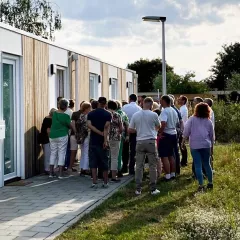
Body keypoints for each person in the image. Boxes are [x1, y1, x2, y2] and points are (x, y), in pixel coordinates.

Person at [129, 97, 160, 195]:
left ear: (142, 103)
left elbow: (130, 129)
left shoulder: (136, 115)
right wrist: (153, 130)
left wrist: (138, 130)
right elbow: (158, 126)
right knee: (152, 165)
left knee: (139, 165)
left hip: (140, 142)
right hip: (151, 141)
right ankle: (153, 188)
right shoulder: (154, 114)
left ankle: (138, 188)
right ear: (151, 105)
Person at [182, 103, 214, 192]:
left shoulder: (192, 119)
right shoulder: (208, 121)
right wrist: (212, 148)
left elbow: (186, 131)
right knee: (207, 164)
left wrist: (183, 141)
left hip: (195, 145)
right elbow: (212, 136)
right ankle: (210, 183)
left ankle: (201, 185)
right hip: (206, 145)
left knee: (198, 165)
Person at [87, 97, 112, 188]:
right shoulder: (108, 114)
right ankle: (105, 182)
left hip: (93, 140)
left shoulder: (91, 113)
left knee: (93, 161)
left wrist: (97, 132)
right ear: (105, 104)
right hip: (103, 141)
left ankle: (94, 182)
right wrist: (105, 139)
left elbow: (89, 125)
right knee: (104, 161)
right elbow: (106, 127)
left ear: (98, 103)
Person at [49, 99, 75, 179]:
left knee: (53, 153)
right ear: (66, 107)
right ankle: (60, 174)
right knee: (61, 153)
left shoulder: (54, 114)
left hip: (52, 135)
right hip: (62, 135)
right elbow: (71, 125)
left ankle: (51, 173)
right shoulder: (66, 116)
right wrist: (76, 131)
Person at [158, 95, 179, 181]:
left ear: (164, 101)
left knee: (164, 156)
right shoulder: (174, 110)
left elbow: (163, 123)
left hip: (166, 134)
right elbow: (177, 122)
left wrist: (160, 132)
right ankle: (173, 173)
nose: (160, 102)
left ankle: (167, 175)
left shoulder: (164, 111)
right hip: (174, 133)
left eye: (161, 101)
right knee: (171, 155)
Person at [122, 94, 142, 174]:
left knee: (125, 150)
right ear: (136, 99)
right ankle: (131, 168)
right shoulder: (139, 108)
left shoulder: (124, 107)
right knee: (133, 150)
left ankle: (124, 167)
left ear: (129, 99)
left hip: (126, 130)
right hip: (135, 131)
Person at [107, 100, 123, 182]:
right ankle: (113, 176)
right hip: (115, 138)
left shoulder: (105, 114)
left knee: (105, 157)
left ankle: (104, 175)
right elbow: (121, 128)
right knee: (114, 157)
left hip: (105, 137)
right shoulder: (117, 115)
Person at [76, 102, 92, 176]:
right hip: (86, 136)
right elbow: (87, 127)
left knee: (83, 153)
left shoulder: (81, 115)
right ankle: (85, 169)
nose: (90, 109)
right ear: (86, 108)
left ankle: (82, 168)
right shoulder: (87, 116)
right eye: (89, 108)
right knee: (86, 153)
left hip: (81, 136)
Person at [169, 95, 183, 175]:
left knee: (174, 151)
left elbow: (180, 121)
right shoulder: (176, 109)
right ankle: (176, 168)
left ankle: (175, 169)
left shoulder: (172, 110)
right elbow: (180, 122)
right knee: (175, 151)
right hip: (176, 131)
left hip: (173, 132)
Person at [40, 108, 57, 173]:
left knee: (47, 154)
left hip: (44, 138)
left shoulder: (46, 118)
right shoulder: (49, 120)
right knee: (48, 154)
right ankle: (48, 169)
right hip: (47, 139)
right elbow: (48, 131)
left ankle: (48, 168)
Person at [116, 100, 129, 176]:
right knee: (120, 153)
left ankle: (116, 169)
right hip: (122, 135)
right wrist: (127, 135)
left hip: (116, 135)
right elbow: (127, 124)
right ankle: (120, 169)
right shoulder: (123, 113)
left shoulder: (115, 113)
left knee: (115, 154)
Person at [178, 95, 189, 167]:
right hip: (182, 128)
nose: (178, 100)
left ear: (183, 101)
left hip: (182, 129)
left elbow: (180, 119)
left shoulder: (183, 109)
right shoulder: (182, 108)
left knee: (182, 145)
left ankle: (184, 160)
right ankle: (184, 160)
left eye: (180, 99)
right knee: (181, 144)